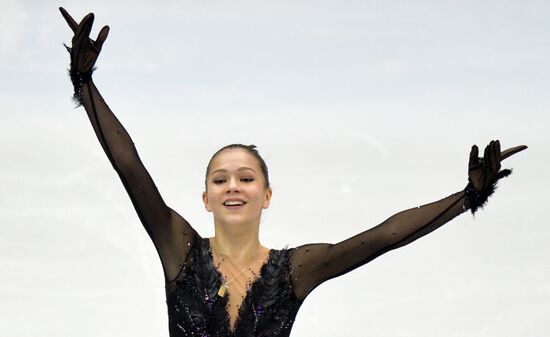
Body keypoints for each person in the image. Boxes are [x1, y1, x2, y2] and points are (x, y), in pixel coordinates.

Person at [59, 8, 527, 337]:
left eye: (246, 178)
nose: (233, 186)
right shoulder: (177, 246)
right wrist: (86, 86)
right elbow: (129, 166)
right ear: (205, 198)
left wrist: (467, 197)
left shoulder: (294, 270)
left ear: (266, 195)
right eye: (220, 179)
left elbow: (382, 237)